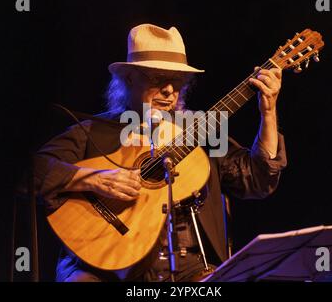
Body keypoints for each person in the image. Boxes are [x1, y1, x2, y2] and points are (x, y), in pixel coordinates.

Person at [33, 23, 287, 282]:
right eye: (158, 78)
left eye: (177, 81)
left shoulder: (199, 133)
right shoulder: (94, 131)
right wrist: (94, 179)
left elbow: (257, 180)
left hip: (192, 268)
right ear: (129, 79)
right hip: (107, 267)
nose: (169, 90)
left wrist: (268, 113)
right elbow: (33, 171)